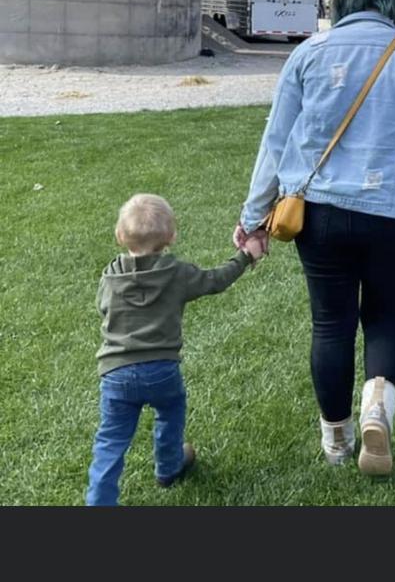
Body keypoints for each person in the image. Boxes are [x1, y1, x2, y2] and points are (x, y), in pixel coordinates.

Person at [236, 0, 395, 478]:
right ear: (393, 0)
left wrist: (253, 219)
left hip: (318, 213)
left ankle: (337, 440)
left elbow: (276, 143)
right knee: (388, 315)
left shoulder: (308, 54)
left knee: (330, 323)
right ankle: (377, 405)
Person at [86, 194, 266, 507]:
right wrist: (244, 256)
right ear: (171, 236)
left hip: (116, 374)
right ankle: (169, 467)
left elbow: (103, 308)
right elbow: (215, 280)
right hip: (162, 371)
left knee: (110, 441)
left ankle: (99, 501)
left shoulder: (110, 275)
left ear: (119, 236)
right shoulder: (176, 273)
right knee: (170, 412)